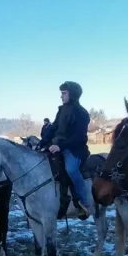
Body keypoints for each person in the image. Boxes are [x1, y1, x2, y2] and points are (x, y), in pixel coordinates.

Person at [40, 81, 91, 220]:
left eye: (64, 93)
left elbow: (80, 137)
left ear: (72, 94)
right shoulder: (61, 110)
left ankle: (83, 202)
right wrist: (42, 141)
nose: (61, 96)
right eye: (61, 93)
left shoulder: (82, 113)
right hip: (57, 146)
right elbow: (54, 127)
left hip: (74, 149)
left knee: (71, 170)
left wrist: (61, 146)